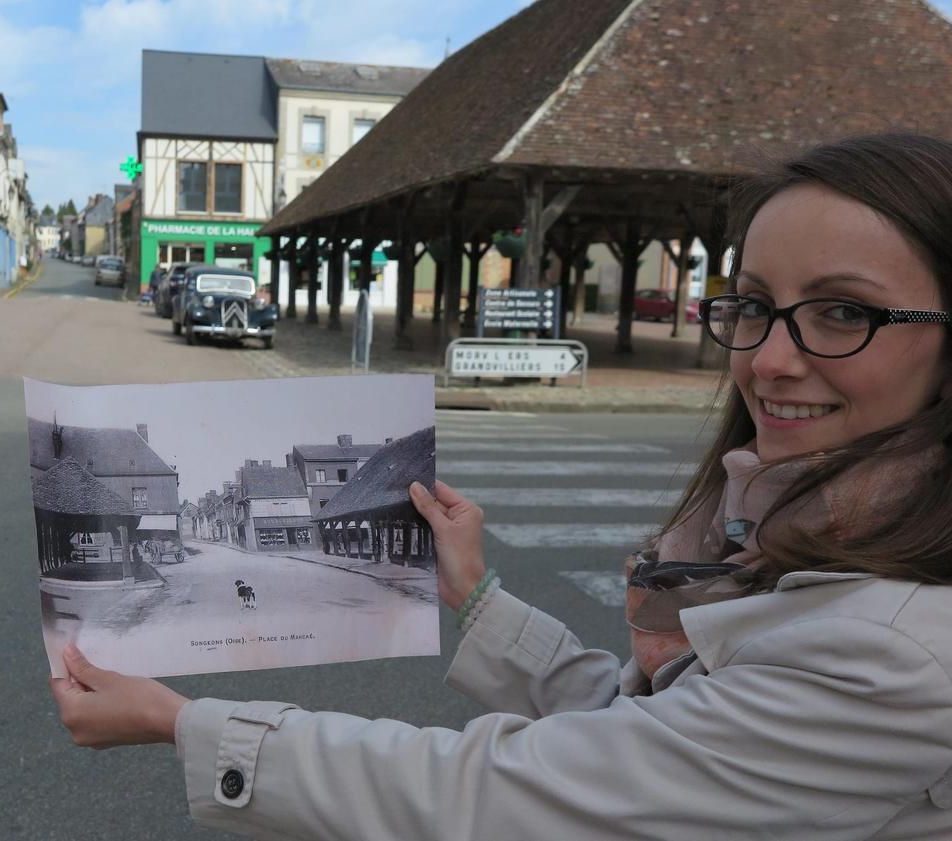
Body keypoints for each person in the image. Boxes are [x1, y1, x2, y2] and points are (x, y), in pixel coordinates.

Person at [50, 134, 952, 840]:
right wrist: (475, 592)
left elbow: (494, 792)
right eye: (751, 305)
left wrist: (186, 723)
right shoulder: (806, 529)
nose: (770, 357)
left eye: (845, 312)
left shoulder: (893, 652)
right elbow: (647, 735)